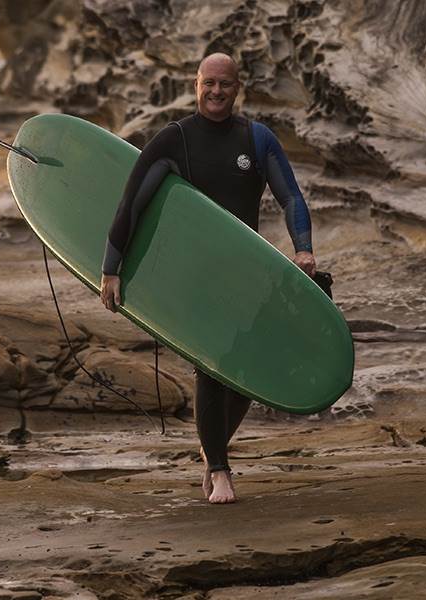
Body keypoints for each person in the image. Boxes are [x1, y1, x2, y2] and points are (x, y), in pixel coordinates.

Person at [99, 53, 315, 504]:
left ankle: (210, 446)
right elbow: (131, 203)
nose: (216, 91)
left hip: (246, 272)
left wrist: (303, 248)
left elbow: (291, 197)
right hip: (195, 275)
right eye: (208, 83)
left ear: (238, 88)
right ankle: (219, 470)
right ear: (195, 84)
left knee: (251, 369)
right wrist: (110, 269)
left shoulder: (257, 139)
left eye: (225, 84)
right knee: (212, 366)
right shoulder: (174, 139)